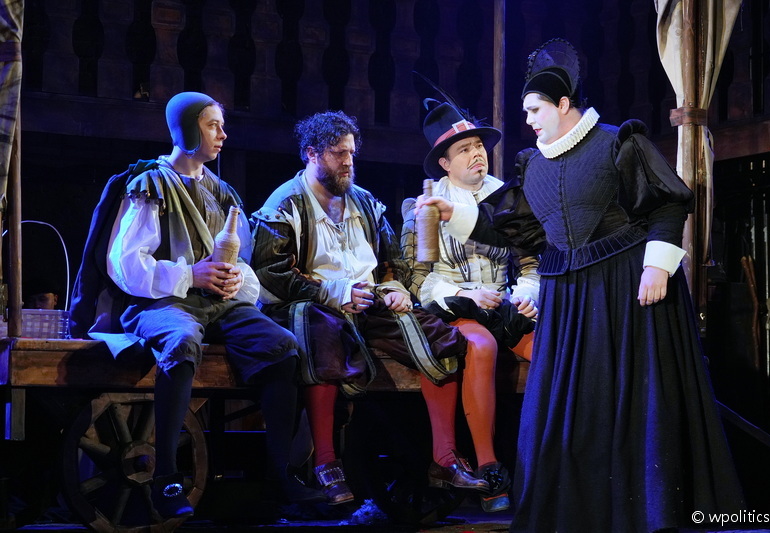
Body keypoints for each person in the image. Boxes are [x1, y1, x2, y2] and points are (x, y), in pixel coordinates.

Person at [417, 39, 743, 532]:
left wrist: (657, 265)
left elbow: (669, 202)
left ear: (563, 104)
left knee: (637, 403)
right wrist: (452, 213)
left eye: (534, 109)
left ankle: (649, 512)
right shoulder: (533, 164)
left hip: (627, 289)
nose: (527, 119)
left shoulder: (618, 142)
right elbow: (518, 231)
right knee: (570, 408)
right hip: (570, 299)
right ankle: (580, 513)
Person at [70, 92, 322, 520]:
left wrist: (235, 280)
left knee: (282, 346)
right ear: (188, 130)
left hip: (217, 304)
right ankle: (167, 477)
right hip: (159, 301)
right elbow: (125, 263)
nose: (222, 134)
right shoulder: (150, 184)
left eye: (222, 125)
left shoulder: (221, 192)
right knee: (183, 340)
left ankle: (280, 475)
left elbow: (239, 261)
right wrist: (191, 275)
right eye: (212, 125)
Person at [249, 110, 490, 506]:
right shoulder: (285, 204)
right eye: (338, 154)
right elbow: (271, 272)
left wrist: (393, 288)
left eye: (351, 153)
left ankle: (445, 458)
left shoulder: (364, 202)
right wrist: (334, 292)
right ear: (311, 154)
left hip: (367, 303)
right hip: (311, 306)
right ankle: (326, 462)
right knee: (319, 330)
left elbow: (392, 262)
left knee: (438, 336)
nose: (348, 162)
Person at [400, 98, 539, 512]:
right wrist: (464, 295)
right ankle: (489, 467)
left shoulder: (506, 197)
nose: (477, 153)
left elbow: (531, 261)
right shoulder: (424, 206)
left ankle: (559, 460)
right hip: (454, 308)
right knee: (481, 346)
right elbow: (417, 278)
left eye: (479, 145)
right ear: (444, 164)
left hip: (504, 305)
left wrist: (527, 294)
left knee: (554, 350)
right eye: (464, 149)